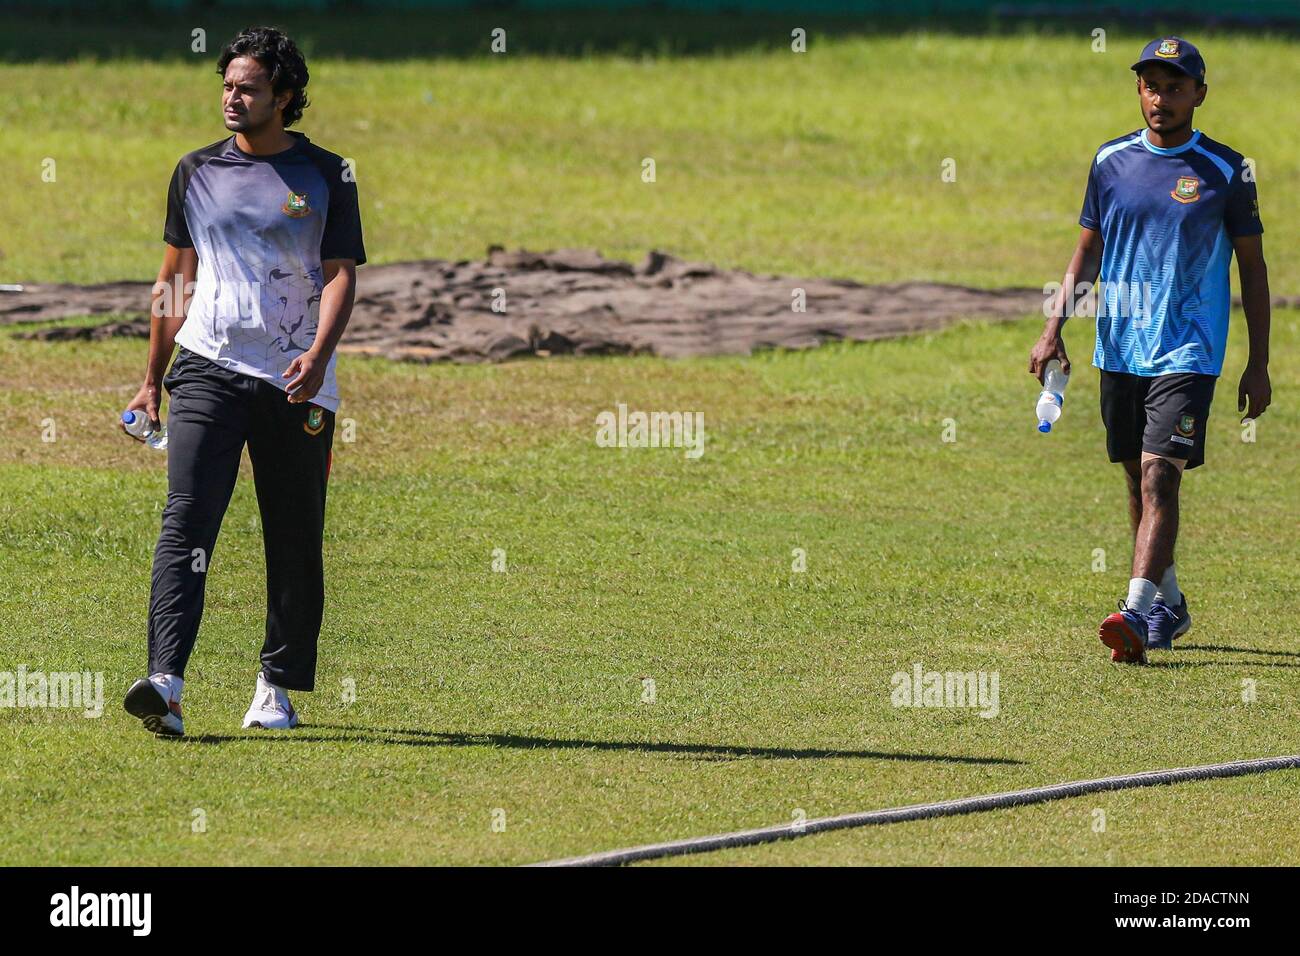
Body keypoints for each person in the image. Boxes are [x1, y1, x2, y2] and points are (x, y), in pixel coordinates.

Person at [122, 26, 365, 734]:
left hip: (297, 381)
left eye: (248, 87)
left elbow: (340, 273)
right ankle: (165, 682)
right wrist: (149, 380)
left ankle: (275, 686)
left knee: (293, 531)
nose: (232, 97)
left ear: (284, 97)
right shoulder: (194, 171)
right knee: (186, 521)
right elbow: (174, 280)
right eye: (227, 84)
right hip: (207, 368)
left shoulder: (328, 174)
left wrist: (319, 355)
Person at [1028, 36, 1270, 665]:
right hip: (1120, 346)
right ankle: (1168, 600)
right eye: (1151, 85)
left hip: (1189, 349)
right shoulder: (1109, 162)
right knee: (1137, 479)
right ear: (1139, 90)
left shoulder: (1226, 170)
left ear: (1200, 94)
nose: (1161, 98)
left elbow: (1254, 268)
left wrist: (1259, 361)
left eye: (1175, 86)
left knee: (1163, 474)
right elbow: (1088, 249)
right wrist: (1055, 326)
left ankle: (1135, 610)